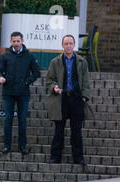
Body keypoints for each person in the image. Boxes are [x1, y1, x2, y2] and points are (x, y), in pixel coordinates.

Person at [46, 35, 91, 165]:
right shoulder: (55, 62)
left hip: (77, 99)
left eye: (71, 43)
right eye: (66, 43)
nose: (68, 46)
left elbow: (86, 81)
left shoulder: (82, 61)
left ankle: (78, 157)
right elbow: (49, 80)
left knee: (76, 130)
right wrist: (53, 87)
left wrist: (84, 97)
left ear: (74, 45)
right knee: (59, 130)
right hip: (61, 99)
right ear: (62, 45)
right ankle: (55, 157)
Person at [0, 31, 40, 155]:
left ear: (22, 41)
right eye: (14, 41)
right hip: (8, 93)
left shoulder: (29, 56)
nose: (16, 43)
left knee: (22, 120)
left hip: (23, 93)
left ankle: (22, 146)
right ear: (10, 42)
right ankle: (7, 145)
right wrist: (0, 78)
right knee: (8, 119)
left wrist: (27, 81)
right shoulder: (5, 56)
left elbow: (37, 72)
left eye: (18, 41)